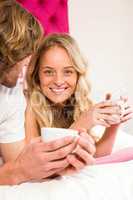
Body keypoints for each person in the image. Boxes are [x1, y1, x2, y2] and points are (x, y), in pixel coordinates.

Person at [0, 0, 96, 185]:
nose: (29, 59)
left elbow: (16, 166)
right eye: (27, 51)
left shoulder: (11, 96)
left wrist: (55, 168)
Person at [25, 33, 133, 175]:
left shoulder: (78, 103)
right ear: (37, 75)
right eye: (49, 72)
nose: (58, 80)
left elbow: (94, 155)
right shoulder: (32, 107)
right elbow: (38, 164)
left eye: (68, 72)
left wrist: (113, 124)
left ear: (78, 74)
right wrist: (83, 122)